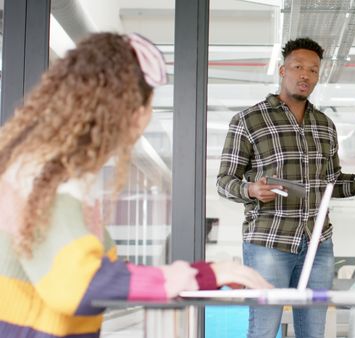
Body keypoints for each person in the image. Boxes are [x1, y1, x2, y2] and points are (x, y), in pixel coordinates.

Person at [0, 32, 271, 338]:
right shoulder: (44, 174)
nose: (149, 115)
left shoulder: (47, 170)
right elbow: (79, 285)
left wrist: (200, 278)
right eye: (150, 104)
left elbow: (92, 276)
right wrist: (202, 275)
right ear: (132, 112)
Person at [217, 37, 355, 338]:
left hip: (318, 244)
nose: (305, 75)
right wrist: (251, 190)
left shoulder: (324, 125)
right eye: (298, 67)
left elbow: (331, 185)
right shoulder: (248, 120)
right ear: (283, 71)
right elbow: (224, 182)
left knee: (313, 332)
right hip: (269, 243)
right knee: (263, 330)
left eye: (313, 70)